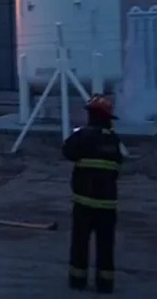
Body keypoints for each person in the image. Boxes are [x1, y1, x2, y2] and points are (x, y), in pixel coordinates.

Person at [62, 94, 123, 294]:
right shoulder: (114, 140)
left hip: (84, 202)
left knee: (80, 242)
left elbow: (67, 151)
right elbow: (118, 163)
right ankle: (105, 284)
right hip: (107, 204)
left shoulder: (82, 136)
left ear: (91, 115)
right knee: (106, 244)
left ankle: (77, 280)